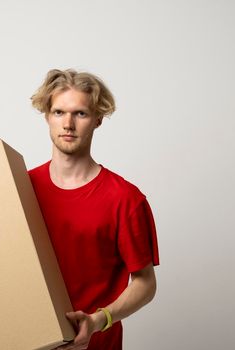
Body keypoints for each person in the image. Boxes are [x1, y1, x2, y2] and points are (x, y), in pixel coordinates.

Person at [28, 69, 160, 350]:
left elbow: (145, 283)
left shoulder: (125, 199)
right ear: (47, 117)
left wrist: (100, 319)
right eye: (59, 112)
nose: (68, 124)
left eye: (80, 114)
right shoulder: (22, 187)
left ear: (98, 120)